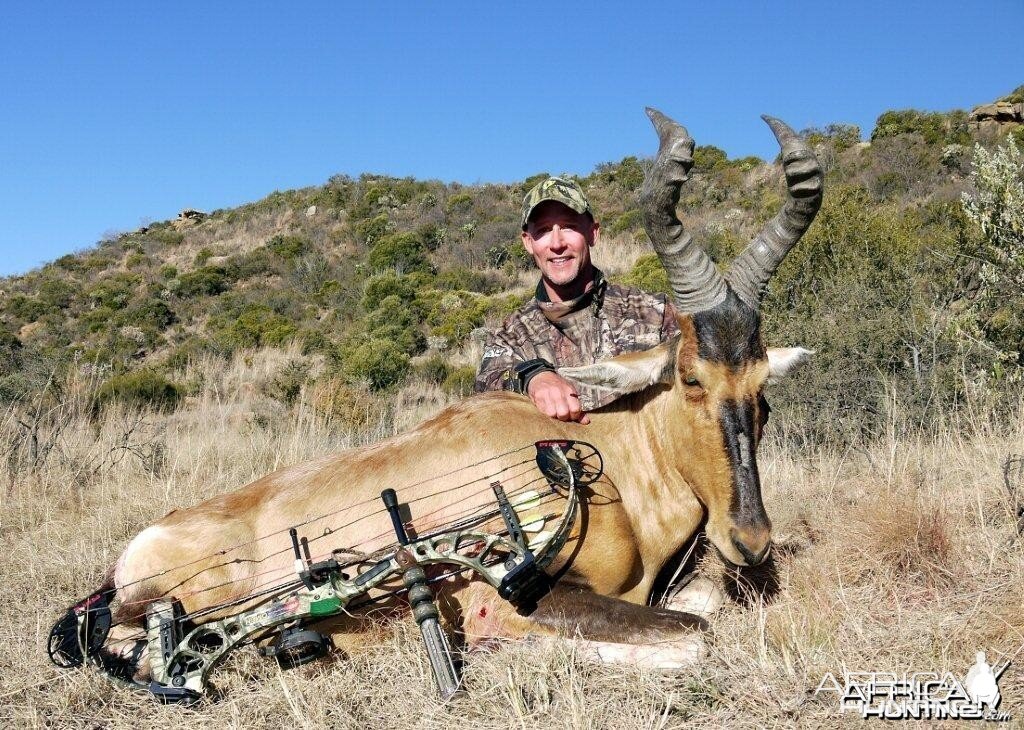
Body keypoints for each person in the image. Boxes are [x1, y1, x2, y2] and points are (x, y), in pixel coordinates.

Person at [475, 176, 679, 423]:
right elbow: (486, 383)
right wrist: (532, 377)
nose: (557, 243)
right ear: (528, 243)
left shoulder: (655, 313)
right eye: (543, 231)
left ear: (593, 233)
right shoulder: (512, 336)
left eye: (569, 226)